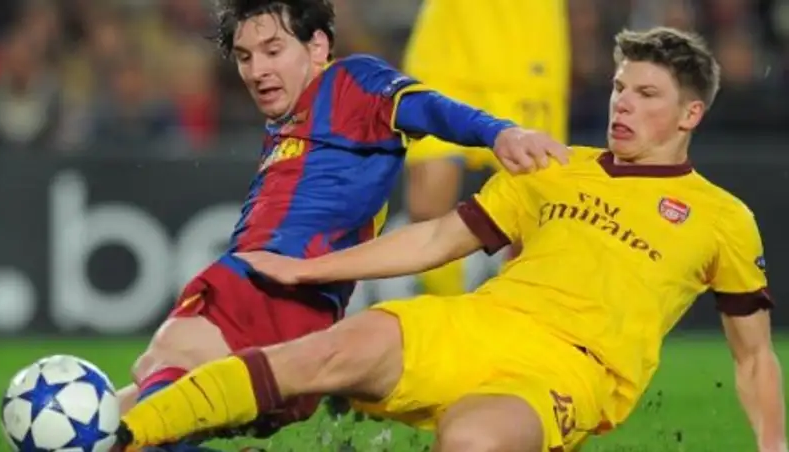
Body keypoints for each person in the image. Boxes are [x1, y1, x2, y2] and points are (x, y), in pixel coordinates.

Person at [114, 27, 786, 452]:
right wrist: (307, 271)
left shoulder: (722, 218)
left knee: (471, 440)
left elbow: (754, 357)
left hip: (565, 369)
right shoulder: (556, 167)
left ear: (690, 114)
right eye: (618, 88)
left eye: (645, 94)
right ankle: (125, 434)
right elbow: (438, 238)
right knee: (326, 352)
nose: (622, 104)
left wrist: (774, 445)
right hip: (475, 322)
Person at [115, 0, 568, 449]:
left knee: (161, 368)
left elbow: (426, 107)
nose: (257, 71)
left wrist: (499, 132)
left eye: (273, 50)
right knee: (118, 421)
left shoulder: (350, 82)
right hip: (295, 317)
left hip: (269, 290)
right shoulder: (289, 120)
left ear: (317, 47)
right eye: (245, 57)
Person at [402, 0, 571, 296]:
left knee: (533, 217)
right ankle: (446, 310)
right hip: (448, 46)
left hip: (522, 48)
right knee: (426, 207)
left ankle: (516, 314)